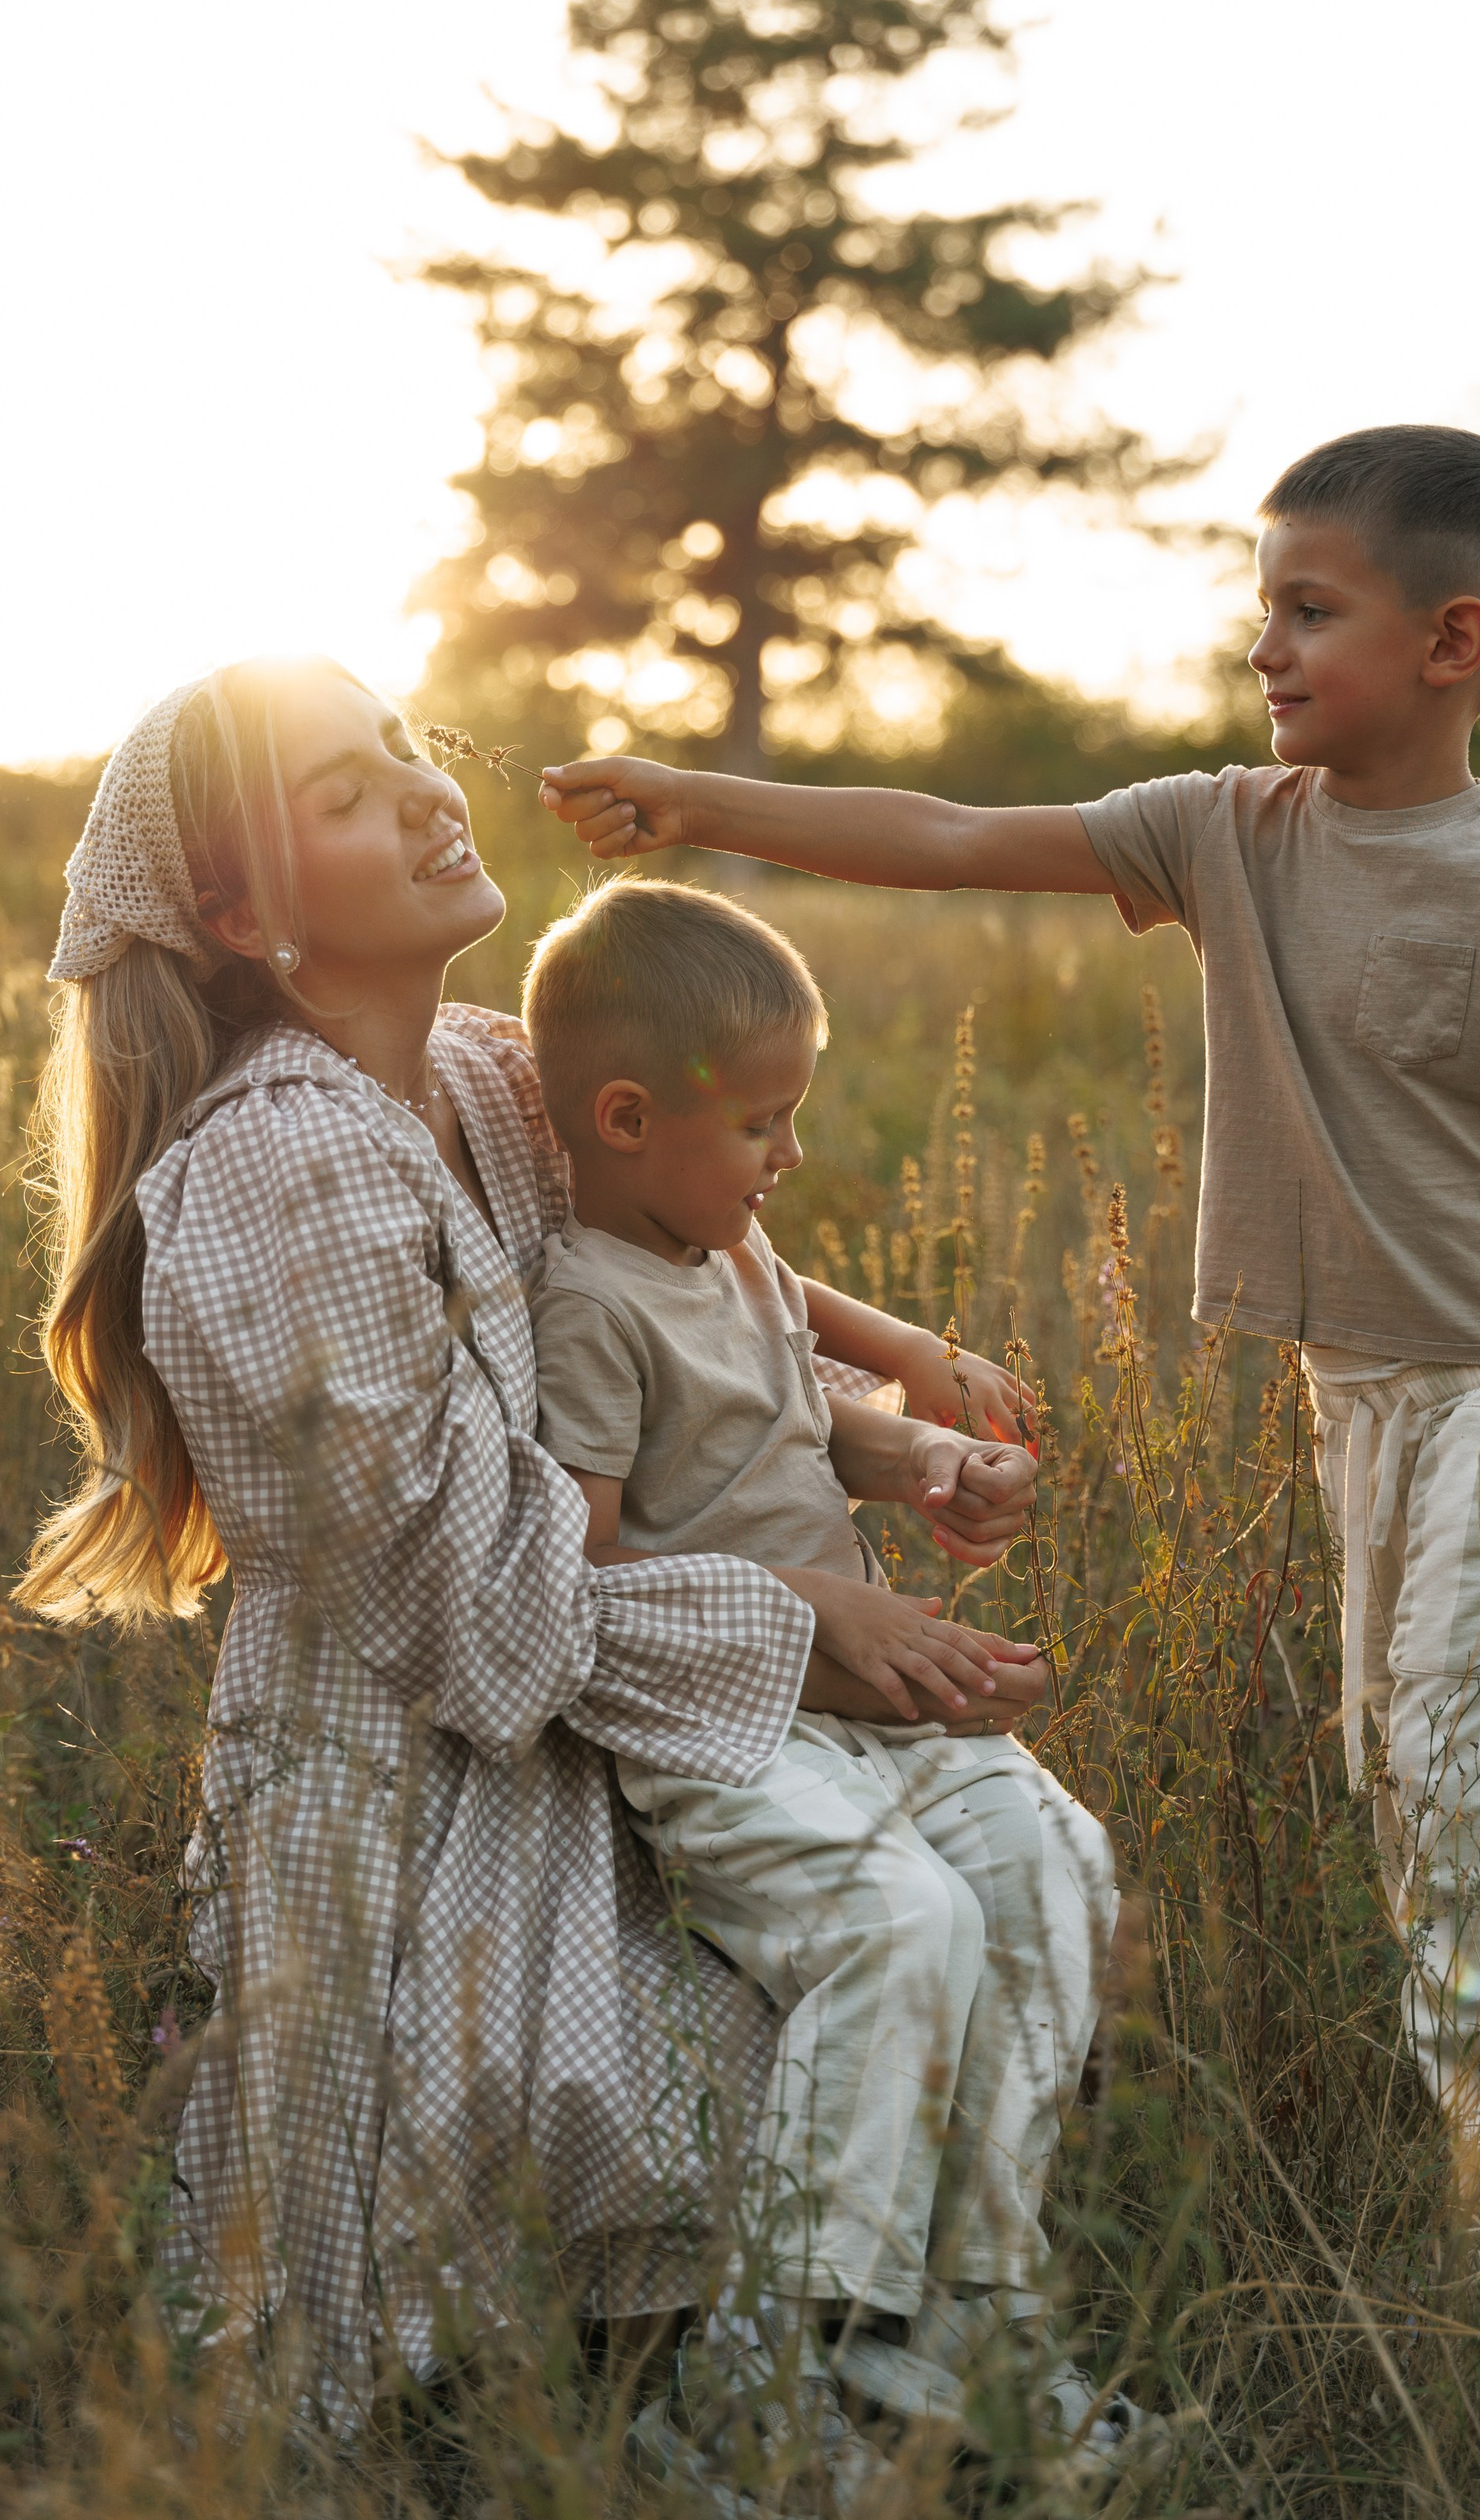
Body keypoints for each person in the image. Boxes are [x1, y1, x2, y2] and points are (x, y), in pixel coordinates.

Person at [542, 424, 1480, 2203]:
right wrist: (698, 801)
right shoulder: (1223, 830)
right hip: (1362, 1394)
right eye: (1263, 609)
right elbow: (939, 832)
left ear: (1448, 645)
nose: (1264, 647)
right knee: (1403, 1775)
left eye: (1309, 610)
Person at [17, 654, 1049, 2446]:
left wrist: (887, 1424)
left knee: (1018, 1875)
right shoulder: (279, 1171)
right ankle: (743, 2406)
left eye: (407, 754)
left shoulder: (497, 1078)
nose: (426, 795)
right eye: (347, 795)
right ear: (244, 916)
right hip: (421, 1778)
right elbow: (463, 1606)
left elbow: (684, 1321)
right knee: (820, 1969)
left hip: (619, 1700)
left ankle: (941, 2366)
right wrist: (795, 1611)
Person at [517, 876, 1141, 2492]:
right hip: (728, 1724)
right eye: (765, 1122)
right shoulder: (588, 1302)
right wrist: (796, 1599)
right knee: (897, 1921)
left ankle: (979, 2305)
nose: (789, 1155)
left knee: (1055, 1866)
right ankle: (781, 2360)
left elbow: (798, 1418)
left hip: (862, 1698)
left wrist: (921, 1451)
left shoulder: (725, 1241)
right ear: (629, 1114)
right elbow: (574, 1576)